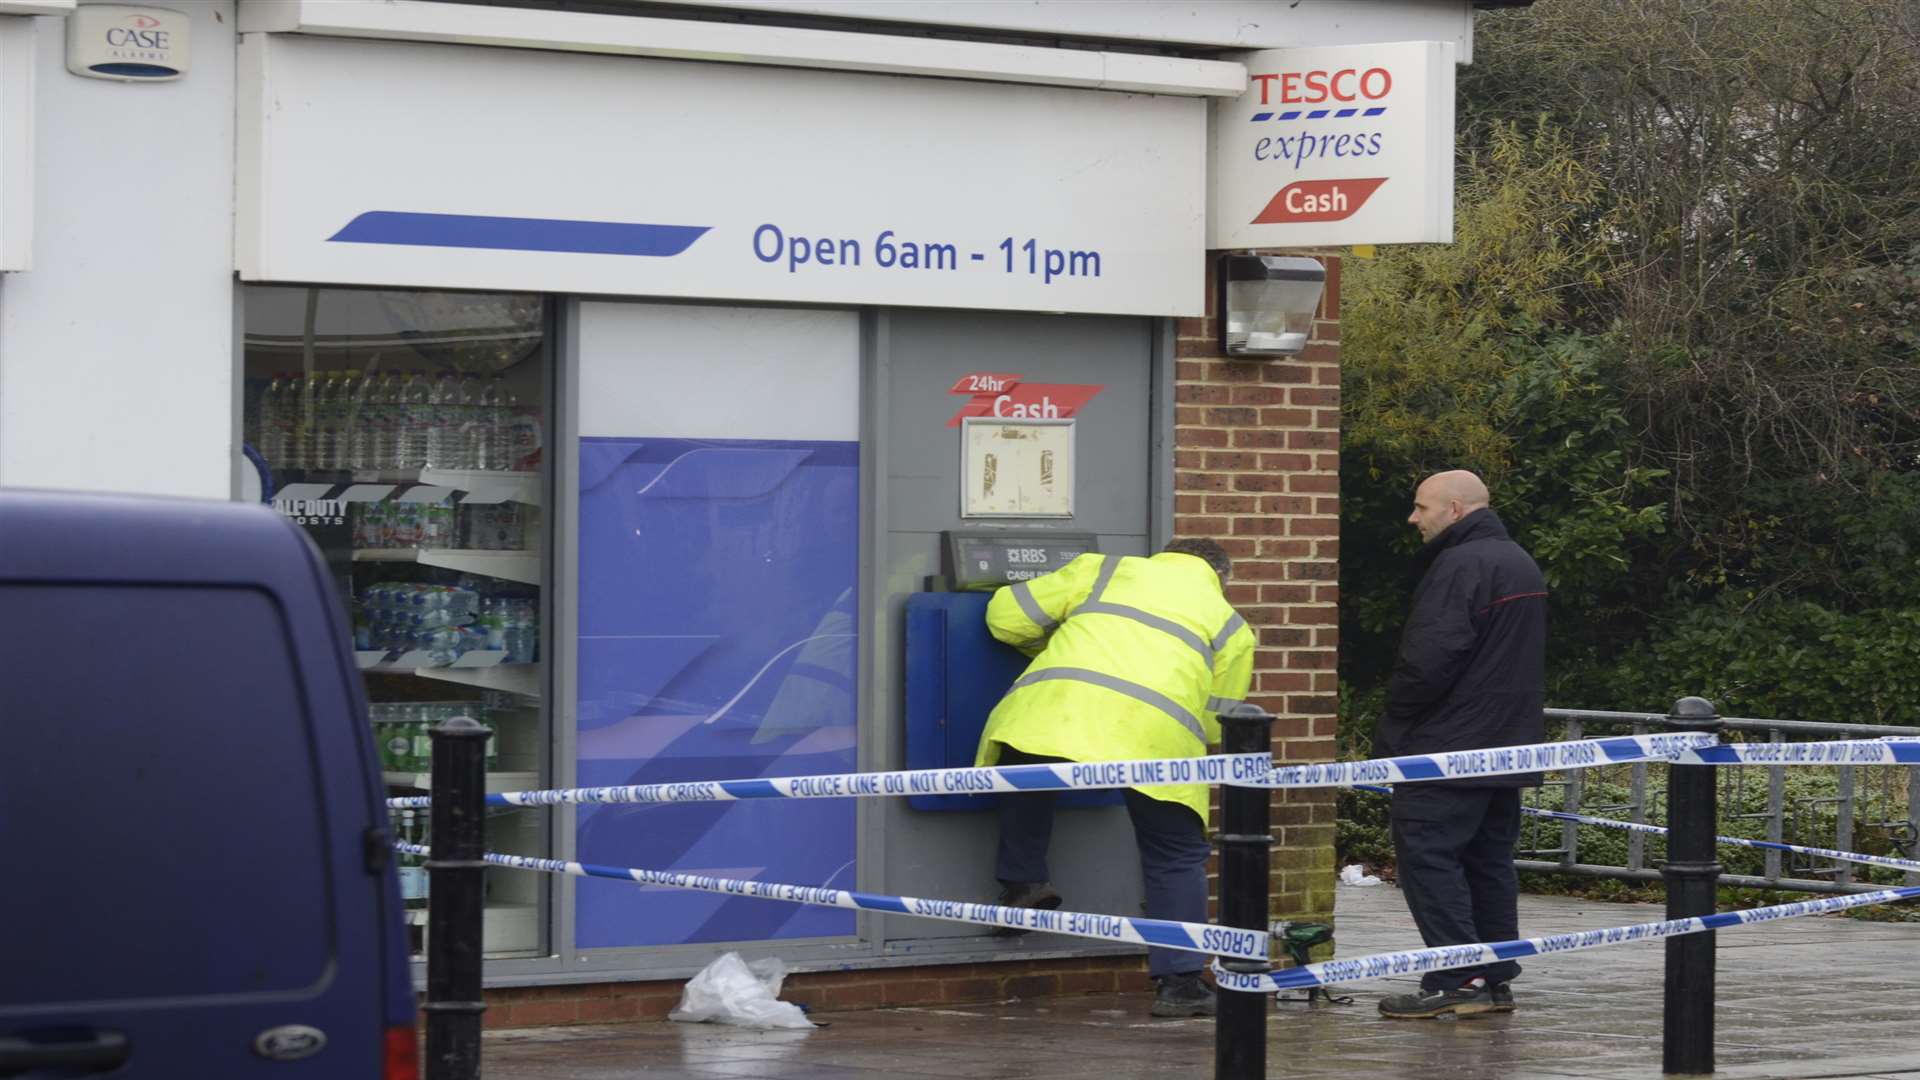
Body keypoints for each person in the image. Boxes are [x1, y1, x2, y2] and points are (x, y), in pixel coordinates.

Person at [975, 538, 1255, 1019]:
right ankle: (1179, 983)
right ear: (1221, 579)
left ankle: (1023, 882)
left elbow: (1005, 617)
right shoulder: (1232, 626)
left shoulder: (1101, 570)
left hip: (1054, 708)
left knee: (1030, 776)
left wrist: (1044, 644)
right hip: (1155, 739)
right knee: (1176, 854)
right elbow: (1213, 722)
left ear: (1164, 555)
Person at [1373, 470, 1547, 1019]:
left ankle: (1458, 977)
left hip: (1449, 746)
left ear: (1453, 509)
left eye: (1420, 507)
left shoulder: (1460, 565)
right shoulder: (1518, 560)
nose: (1412, 518)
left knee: (1428, 856)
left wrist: (1395, 722)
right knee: (1487, 860)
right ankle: (1494, 978)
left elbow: (1428, 659)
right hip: (1506, 746)